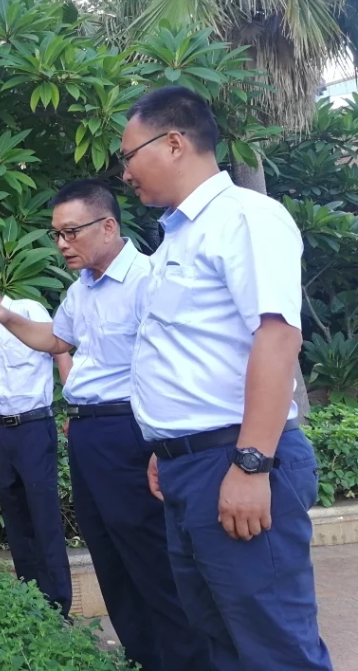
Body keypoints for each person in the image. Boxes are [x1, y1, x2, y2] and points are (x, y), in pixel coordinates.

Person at [121, 85, 332, 671]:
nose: (125, 173)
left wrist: (252, 463)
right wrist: (170, 445)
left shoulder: (245, 217)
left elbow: (277, 338)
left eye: (128, 155)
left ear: (174, 143)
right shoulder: (177, 237)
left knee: (275, 649)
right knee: (221, 643)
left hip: (234, 462)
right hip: (191, 467)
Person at [0, 180, 211, 671]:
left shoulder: (147, 280)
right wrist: (6, 316)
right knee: (110, 557)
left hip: (130, 431)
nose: (62, 244)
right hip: (87, 434)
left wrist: (159, 441)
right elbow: (57, 340)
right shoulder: (82, 289)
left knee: (151, 559)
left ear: (108, 226)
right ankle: (142, 659)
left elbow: (171, 366)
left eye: (71, 232)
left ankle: (187, 661)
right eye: (56, 234)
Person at [0, 261, 74, 617]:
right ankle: (31, 600)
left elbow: (60, 351)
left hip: (35, 428)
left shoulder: (27, 310)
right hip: (5, 433)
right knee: (17, 518)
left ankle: (58, 607)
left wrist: (74, 406)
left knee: (43, 515)